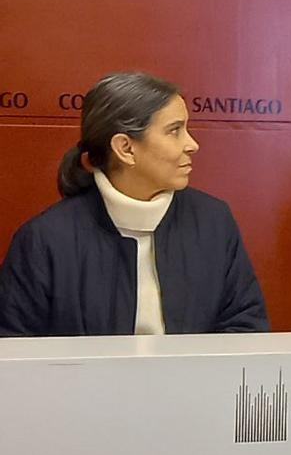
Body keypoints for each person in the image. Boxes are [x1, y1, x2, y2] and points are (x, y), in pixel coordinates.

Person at [0, 72, 269, 336]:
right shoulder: (44, 239)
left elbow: (245, 328)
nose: (192, 144)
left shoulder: (213, 222)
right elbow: (15, 352)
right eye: (174, 131)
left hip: (193, 382)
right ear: (125, 148)